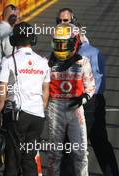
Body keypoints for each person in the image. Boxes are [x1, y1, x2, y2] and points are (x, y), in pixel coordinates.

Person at [57, 8, 119, 176]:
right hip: (80, 101)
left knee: (90, 143)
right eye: (60, 21)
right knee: (81, 145)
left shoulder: (87, 53)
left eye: (66, 21)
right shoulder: (82, 51)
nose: (63, 24)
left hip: (88, 102)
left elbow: (98, 81)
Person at [0, 22, 50, 176]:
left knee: (13, 159)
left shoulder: (8, 61)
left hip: (18, 116)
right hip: (37, 117)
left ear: (13, 40)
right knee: (29, 159)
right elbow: (46, 92)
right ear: (33, 39)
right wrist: (40, 110)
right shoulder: (43, 62)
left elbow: (1, 93)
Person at [47, 23, 95, 176]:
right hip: (55, 108)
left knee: (80, 152)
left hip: (76, 110)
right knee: (54, 154)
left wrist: (83, 99)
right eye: (57, 44)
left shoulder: (83, 62)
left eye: (64, 44)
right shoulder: (46, 63)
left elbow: (90, 87)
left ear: (75, 42)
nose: (60, 48)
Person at [79, 34, 119, 176]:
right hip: (95, 100)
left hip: (86, 101)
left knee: (75, 146)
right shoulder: (94, 52)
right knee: (101, 143)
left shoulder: (82, 54)